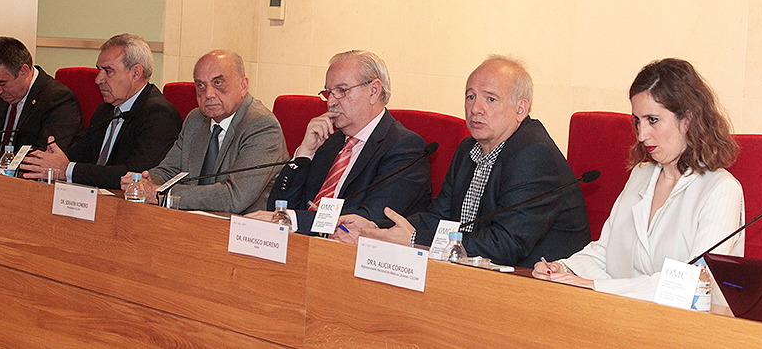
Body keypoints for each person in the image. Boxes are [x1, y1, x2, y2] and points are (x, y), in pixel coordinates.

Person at [334, 55, 591, 269]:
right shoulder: (469, 149)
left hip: (537, 285)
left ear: (520, 109)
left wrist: (414, 239)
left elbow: (506, 244)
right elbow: (440, 216)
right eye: (470, 97)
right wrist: (376, 229)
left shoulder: (534, 155)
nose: (475, 108)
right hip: (478, 273)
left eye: (490, 99)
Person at [533, 58, 744, 302]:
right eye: (637, 121)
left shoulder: (721, 189)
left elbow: (692, 282)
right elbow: (604, 252)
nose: (642, 135)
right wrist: (564, 269)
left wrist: (592, 285)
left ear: (688, 119)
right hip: (626, 316)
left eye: (652, 120)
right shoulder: (641, 175)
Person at [245, 50, 431, 234]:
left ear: (374, 91)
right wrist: (304, 153)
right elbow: (278, 205)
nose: (331, 102)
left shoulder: (405, 148)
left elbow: (365, 219)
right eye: (328, 93)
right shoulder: (329, 141)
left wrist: (290, 219)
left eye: (341, 91)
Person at [119, 50, 287, 214]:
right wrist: (144, 182)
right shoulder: (196, 119)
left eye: (218, 83)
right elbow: (170, 171)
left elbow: (234, 197)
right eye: (200, 85)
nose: (208, 94)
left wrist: (160, 194)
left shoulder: (262, 126)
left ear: (243, 86)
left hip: (241, 230)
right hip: (193, 221)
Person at [20, 34, 181, 189]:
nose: (98, 80)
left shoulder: (159, 115)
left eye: (108, 71)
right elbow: (79, 154)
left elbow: (135, 175)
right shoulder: (106, 109)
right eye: (99, 70)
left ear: (136, 73)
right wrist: (51, 160)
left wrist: (67, 169)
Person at [0, 36, 81, 168]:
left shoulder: (58, 98)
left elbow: (44, 155)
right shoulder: (0, 98)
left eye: (2, 83)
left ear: (24, 71)